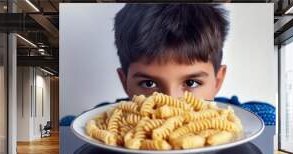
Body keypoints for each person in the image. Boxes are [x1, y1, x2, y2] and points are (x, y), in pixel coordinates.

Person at [60, 3, 275, 126]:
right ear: (125, 82)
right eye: (148, 84)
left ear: (217, 81)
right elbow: (69, 123)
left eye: (191, 82)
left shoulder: (233, 116)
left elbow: (269, 114)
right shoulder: (110, 118)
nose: (170, 105)